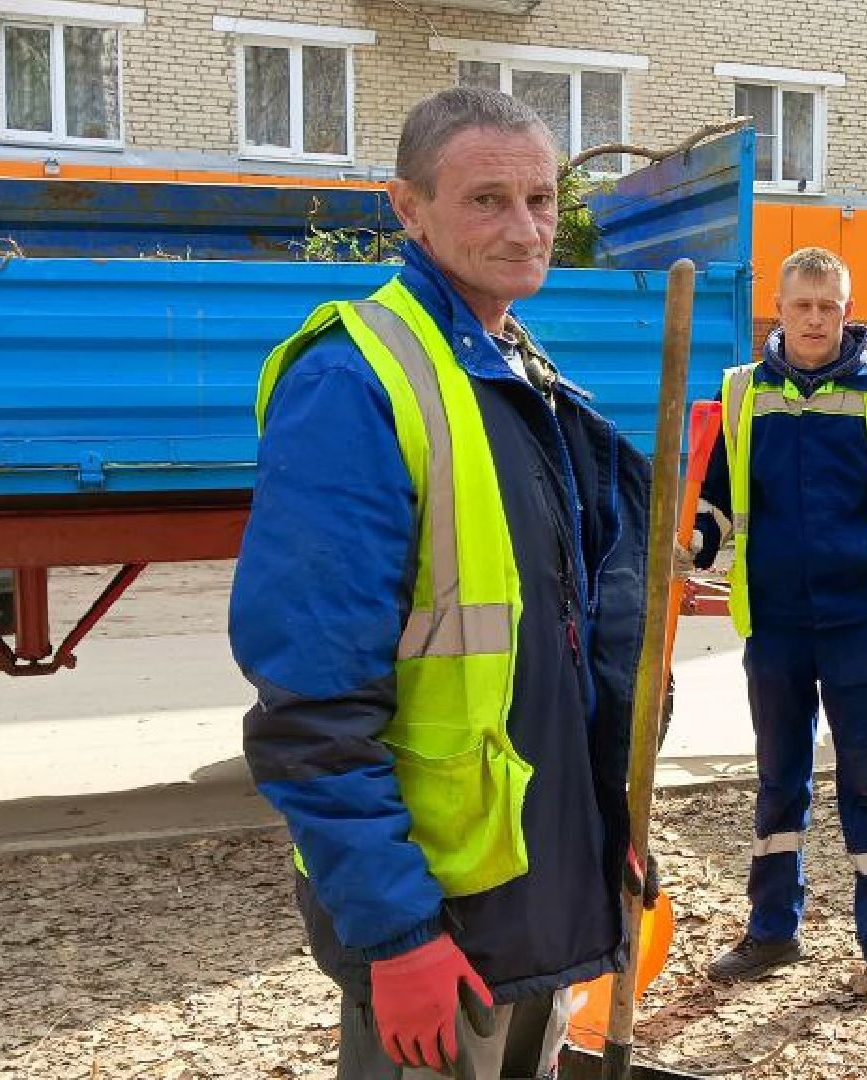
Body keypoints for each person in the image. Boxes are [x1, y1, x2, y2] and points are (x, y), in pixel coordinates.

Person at [231, 87, 657, 1080]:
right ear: (408, 208)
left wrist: (612, 833)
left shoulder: (517, 370)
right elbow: (311, 707)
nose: (526, 228)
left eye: (544, 199)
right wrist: (393, 934)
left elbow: (569, 654)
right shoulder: (357, 382)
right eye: (488, 200)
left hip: (537, 891)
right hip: (441, 919)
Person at [688, 247, 867, 1011]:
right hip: (775, 626)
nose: (815, 320)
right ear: (777, 309)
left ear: (847, 311)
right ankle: (773, 930)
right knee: (778, 785)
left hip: (857, 626)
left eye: (829, 307)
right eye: (802, 305)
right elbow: (716, 500)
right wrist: (700, 544)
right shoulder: (744, 394)